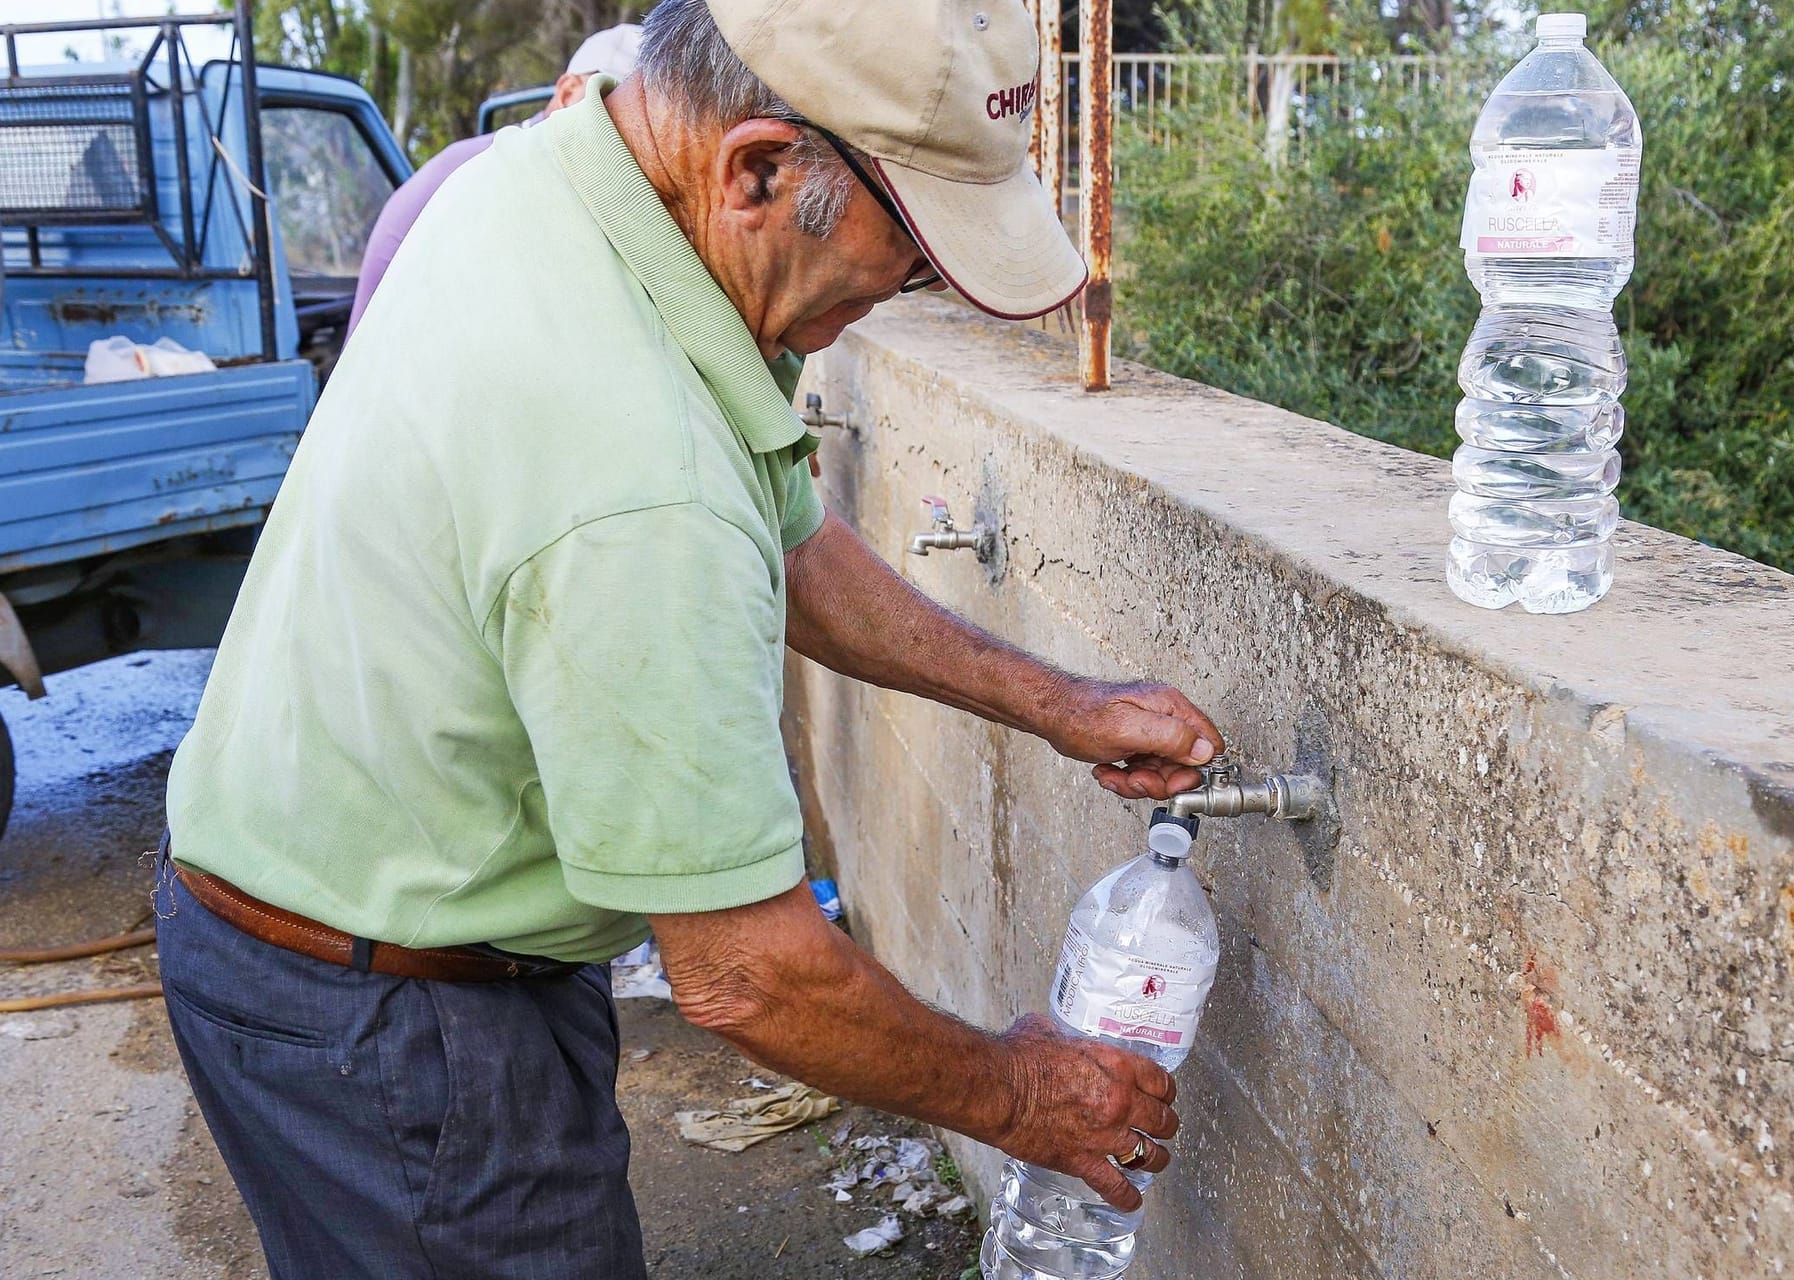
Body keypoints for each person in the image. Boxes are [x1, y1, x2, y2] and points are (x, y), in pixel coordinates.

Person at [155, 2, 1225, 1276]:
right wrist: (1020, 1095)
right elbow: (748, 972)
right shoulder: (633, 467)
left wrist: (1059, 699)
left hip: (346, 922)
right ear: (760, 167)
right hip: (386, 1009)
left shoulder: (573, 191)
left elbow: (786, 542)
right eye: (921, 251)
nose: (909, 290)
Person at [345, 23, 645, 336]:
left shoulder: (540, 171)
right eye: (610, 110)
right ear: (568, 93)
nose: (624, 138)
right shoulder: (491, 170)